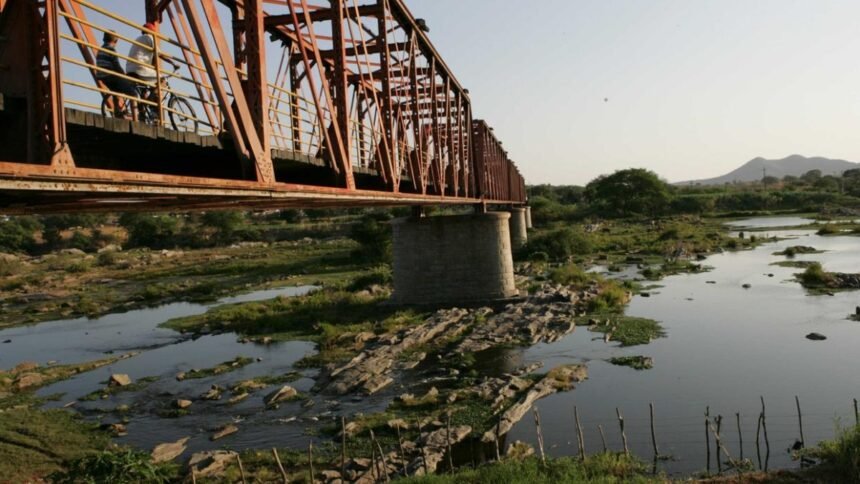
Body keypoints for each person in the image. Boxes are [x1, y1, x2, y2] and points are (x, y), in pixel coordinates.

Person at [126, 22, 178, 104]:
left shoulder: (138, 39)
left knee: (144, 90)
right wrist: (173, 63)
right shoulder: (149, 37)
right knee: (162, 80)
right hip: (139, 68)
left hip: (129, 69)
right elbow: (160, 54)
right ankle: (150, 101)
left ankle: (142, 109)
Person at [95, 31, 137, 116]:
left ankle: (117, 111)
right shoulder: (111, 49)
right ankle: (135, 119)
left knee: (115, 91)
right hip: (110, 76)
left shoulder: (100, 50)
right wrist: (124, 76)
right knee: (133, 94)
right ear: (116, 41)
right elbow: (117, 66)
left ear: (104, 39)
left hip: (102, 77)